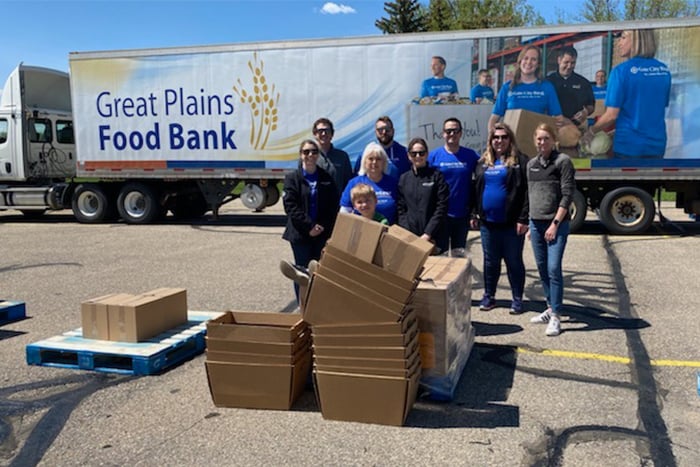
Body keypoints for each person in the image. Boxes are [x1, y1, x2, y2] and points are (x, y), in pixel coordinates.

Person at [582, 29, 671, 159]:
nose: (619, 43)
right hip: (656, 145)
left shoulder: (621, 72)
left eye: (623, 38)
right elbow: (654, 109)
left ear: (636, 40)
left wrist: (591, 131)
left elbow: (611, 115)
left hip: (628, 146)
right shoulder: (663, 70)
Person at [470, 123, 529, 314]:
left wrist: (523, 218)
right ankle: (489, 296)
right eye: (496, 137)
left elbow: (526, 193)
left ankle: (517, 298)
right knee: (490, 262)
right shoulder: (482, 163)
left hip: (512, 223)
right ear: (490, 141)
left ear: (509, 139)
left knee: (513, 261)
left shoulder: (520, 161)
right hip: (488, 223)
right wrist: (474, 213)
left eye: (504, 137)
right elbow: (475, 190)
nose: (499, 141)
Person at [527, 123, 576, 337]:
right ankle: (549, 307)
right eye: (539, 139)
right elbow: (530, 197)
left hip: (555, 224)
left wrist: (555, 224)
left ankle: (556, 316)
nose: (542, 142)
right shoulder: (531, 165)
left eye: (546, 138)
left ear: (554, 139)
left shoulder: (563, 162)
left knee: (554, 268)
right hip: (535, 224)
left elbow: (567, 195)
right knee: (542, 268)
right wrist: (530, 224)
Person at [282, 139, 339, 304]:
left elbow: (332, 206)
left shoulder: (326, 177)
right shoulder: (292, 178)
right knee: (301, 273)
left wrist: (321, 226)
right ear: (300, 155)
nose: (310, 155)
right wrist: (309, 226)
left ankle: (316, 306)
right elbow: (291, 207)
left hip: (321, 234)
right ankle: (302, 305)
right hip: (300, 234)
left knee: (318, 272)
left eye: (314, 151)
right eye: (306, 152)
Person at [428, 118, 480, 253]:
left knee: (459, 254)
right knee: (440, 254)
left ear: (461, 133)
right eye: (448, 131)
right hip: (440, 215)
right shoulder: (433, 156)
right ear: (443, 133)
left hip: (462, 215)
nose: (452, 134)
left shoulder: (471, 155)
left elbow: (484, 172)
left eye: (455, 130)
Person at [488, 45, 563, 133]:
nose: (529, 62)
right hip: (511, 142)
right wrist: (493, 139)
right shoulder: (508, 87)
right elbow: (494, 119)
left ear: (538, 64)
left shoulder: (546, 87)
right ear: (520, 61)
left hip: (538, 143)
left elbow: (558, 118)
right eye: (525, 58)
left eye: (533, 59)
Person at [397, 137, 449, 245]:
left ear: (427, 154)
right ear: (408, 156)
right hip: (411, 238)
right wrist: (408, 233)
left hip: (434, 236)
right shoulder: (404, 179)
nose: (418, 156)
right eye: (414, 153)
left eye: (421, 153)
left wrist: (428, 233)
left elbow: (442, 206)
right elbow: (401, 209)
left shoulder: (436, 176)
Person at [340, 142, 399, 224]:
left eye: (378, 159)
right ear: (364, 161)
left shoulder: (393, 183)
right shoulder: (354, 183)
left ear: (384, 162)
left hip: (389, 232)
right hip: (361, 232)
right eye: (371, 159)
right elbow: (344, 212)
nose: (374, 162)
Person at [547, 46, 595, 129]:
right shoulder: (548, 82)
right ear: (559, 60)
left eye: (573, 63)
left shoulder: (583, 83)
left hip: (577, 127)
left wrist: (585, 112)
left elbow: (591, 105)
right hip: (552, 126)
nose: (569, 66)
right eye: (566, 62)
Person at [312, 118, 353, 194]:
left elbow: (349, 183)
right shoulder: (308, 156)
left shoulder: (342, 156)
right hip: (315, 204)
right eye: (320, 131)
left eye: (327, 131)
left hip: (337, 204)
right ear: (315, 134)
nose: (324, 134)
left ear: (332, 134)